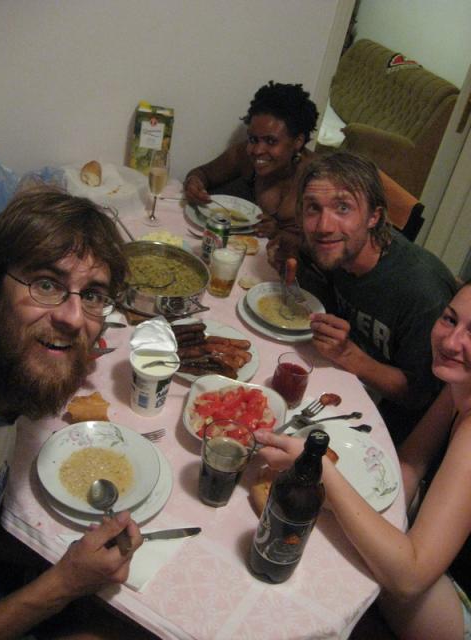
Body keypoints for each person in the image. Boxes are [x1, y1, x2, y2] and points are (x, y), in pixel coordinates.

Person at [255, 280, 471, 640]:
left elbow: (410, 578)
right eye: (450, 319)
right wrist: (351, 508)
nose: (451, 342)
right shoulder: (459, 385)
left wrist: (320, 470)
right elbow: (409, 466)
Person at [0, 187, 150, 640]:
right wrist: (63, 585)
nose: (75, 318)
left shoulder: (8, 388)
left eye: (93, 295)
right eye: (46, 284)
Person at [270, 152, 457, 443]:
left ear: (374, 216)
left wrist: (348, 354)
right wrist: (289, 257)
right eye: (313, 208)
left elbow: (418, 395)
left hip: (387, 426)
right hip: (336, 382)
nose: (324, 226)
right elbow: (307, 269)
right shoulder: (331, 249)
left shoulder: (423, 292)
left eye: (343, 208)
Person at [183, 81, 319, 238]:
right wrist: (193, 182)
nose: (257, 150)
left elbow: (322, 244)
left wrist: (279, 234)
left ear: (298, 141)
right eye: (253, 139)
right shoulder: (244, 155)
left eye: (271, 141)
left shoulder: (319, 176)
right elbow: (202, 173)